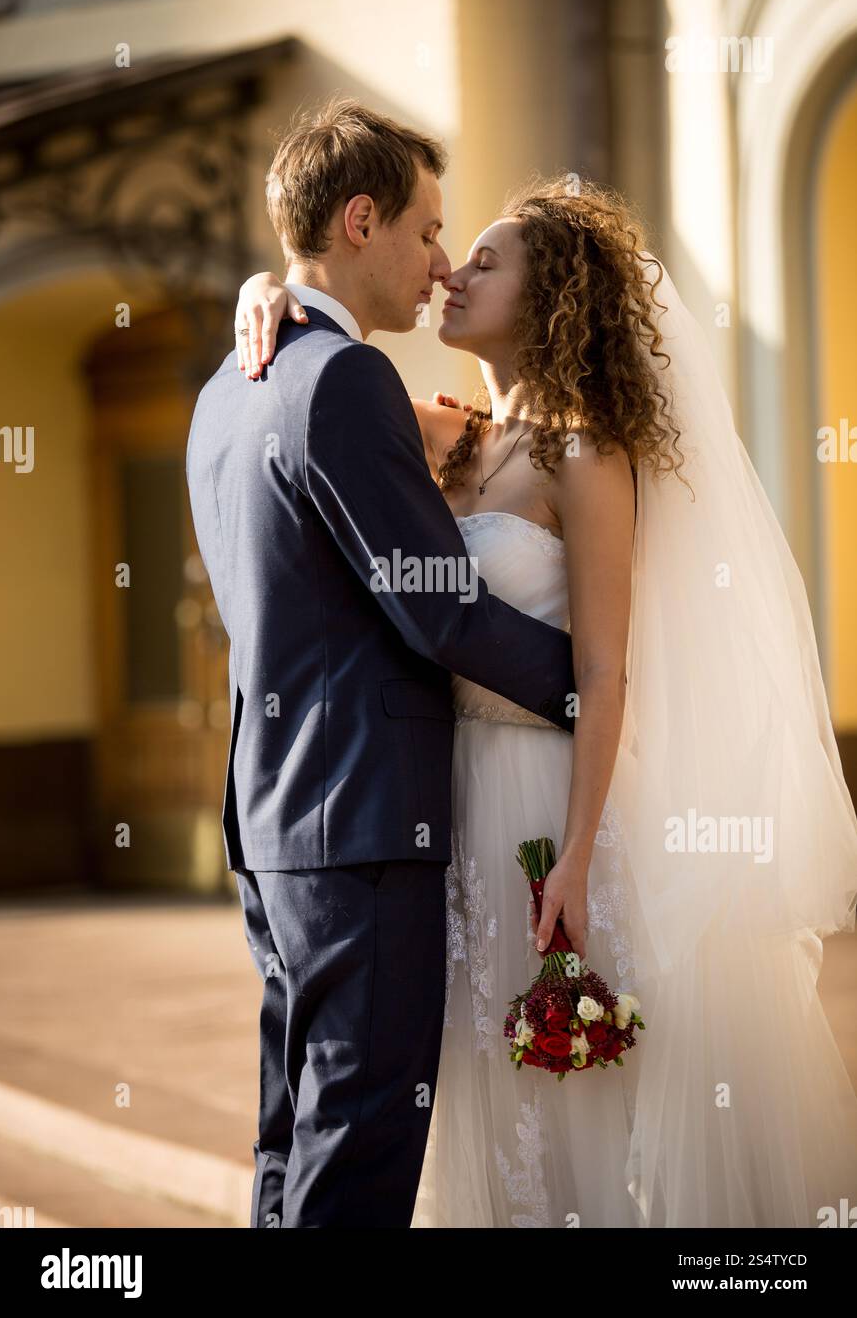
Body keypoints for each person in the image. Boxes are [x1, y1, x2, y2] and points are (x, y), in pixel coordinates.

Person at [236, 171, 857, 1227]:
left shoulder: (583, 450)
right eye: (449, 249)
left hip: (551, 800)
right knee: (481, 1080)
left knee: (574, 1090)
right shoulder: (456, 437)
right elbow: (322, 381)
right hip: (450, 795)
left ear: (553, 292)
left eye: (483, 259)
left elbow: (607, 669)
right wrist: (261, 288)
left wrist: (572, 856)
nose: (449, 272)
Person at [185, 98, 581, 1229]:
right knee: (357, 1152)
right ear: (359, 221)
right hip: (360, 826)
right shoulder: (339, 379)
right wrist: (594, 684)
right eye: (424, 229)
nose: (439, 261)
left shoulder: (230, 388)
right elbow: (437, 609)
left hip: (275, 822)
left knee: (293, 1134)